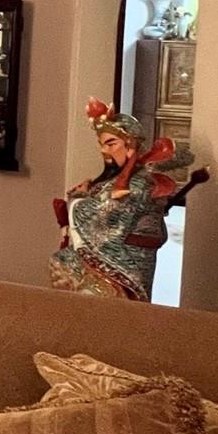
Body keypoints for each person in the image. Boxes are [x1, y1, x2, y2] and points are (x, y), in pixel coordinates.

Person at [49, 98, 199, 301]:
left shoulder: (139, 184)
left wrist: (77, 199)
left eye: (111, 144)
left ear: (131, 146)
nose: (104, 151)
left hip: (123, 264)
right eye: (102, 145)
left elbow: (103, 214)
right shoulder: (116, 181)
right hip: (107, 259)